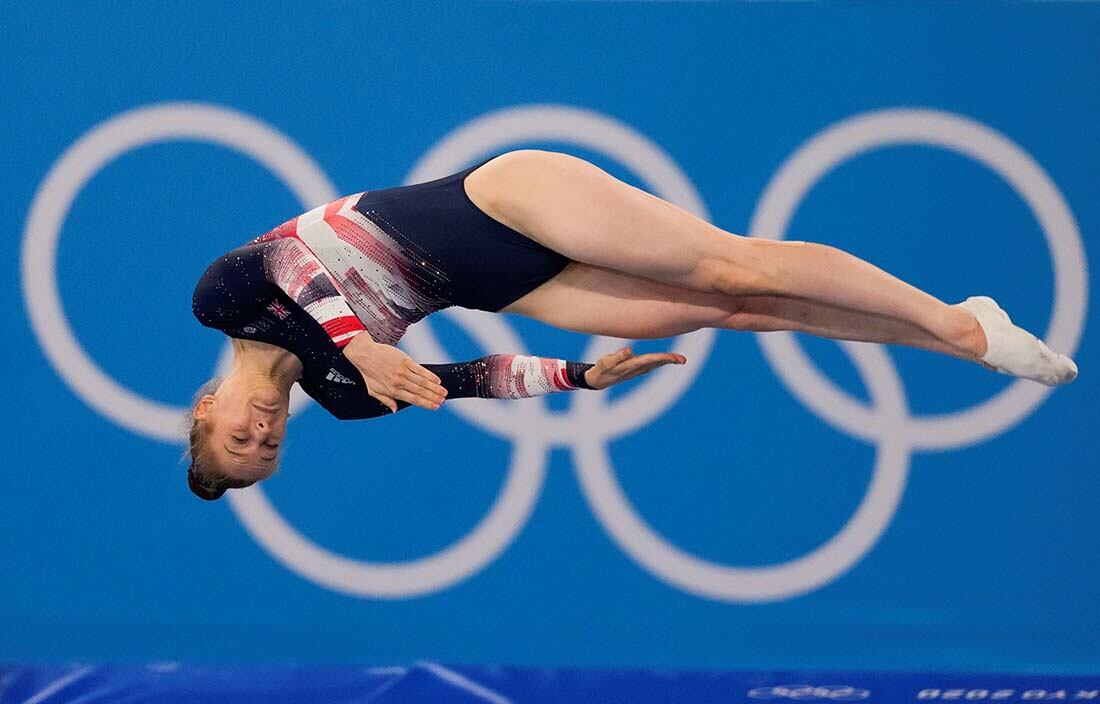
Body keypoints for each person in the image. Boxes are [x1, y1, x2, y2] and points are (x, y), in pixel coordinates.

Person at [188, 149, 1078, 500]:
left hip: (498, 200)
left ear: (204, 407)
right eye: (264, 452)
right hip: (505, 285)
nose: (260, 433)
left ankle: (958, 326)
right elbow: (473, 380)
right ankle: (958, 336)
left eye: (236, 436)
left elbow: (289, 263)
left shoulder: (221, 302)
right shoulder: (346, 399)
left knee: (732, 264)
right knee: (734, 310)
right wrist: (575, 379)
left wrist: (358, 344)